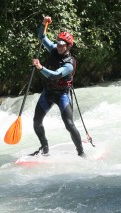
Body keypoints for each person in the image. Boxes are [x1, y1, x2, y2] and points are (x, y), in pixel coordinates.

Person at [31, 16, 85, 157]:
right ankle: (45, 146)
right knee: (36, 122)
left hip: (62, 95)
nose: (59, 47)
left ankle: (81, 152)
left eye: (63, 45)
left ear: (69, 46)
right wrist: (43, 24)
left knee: (69, 124)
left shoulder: (69, 63)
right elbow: (41, 38)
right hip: (48, 92)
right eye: (58, 44)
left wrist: (40, 67)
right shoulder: (54, 49)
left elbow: (54, 75)